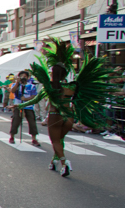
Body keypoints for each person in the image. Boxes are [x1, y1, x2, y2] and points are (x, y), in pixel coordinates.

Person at [20, 39, 116, 175]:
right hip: (69, 117)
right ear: (65, 74)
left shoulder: (48, 87)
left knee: (55, 142)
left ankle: (65, 163)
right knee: (60, 140)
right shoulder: (72, 86)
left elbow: (35, 100)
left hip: (55, 116)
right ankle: (54, 162)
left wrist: (20, 105)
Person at [9, 70, 40, 146]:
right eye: (22, 76)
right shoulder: (16, 85)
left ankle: (34, 138)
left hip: (28, 107)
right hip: (18, 106)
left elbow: (34, 96)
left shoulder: (31, 86)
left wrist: (26, 99)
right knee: (16, 121)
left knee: (32, 122)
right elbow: (12, 91)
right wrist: (17, 83)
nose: (23, 77)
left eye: (25, 76)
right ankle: (12, 136)